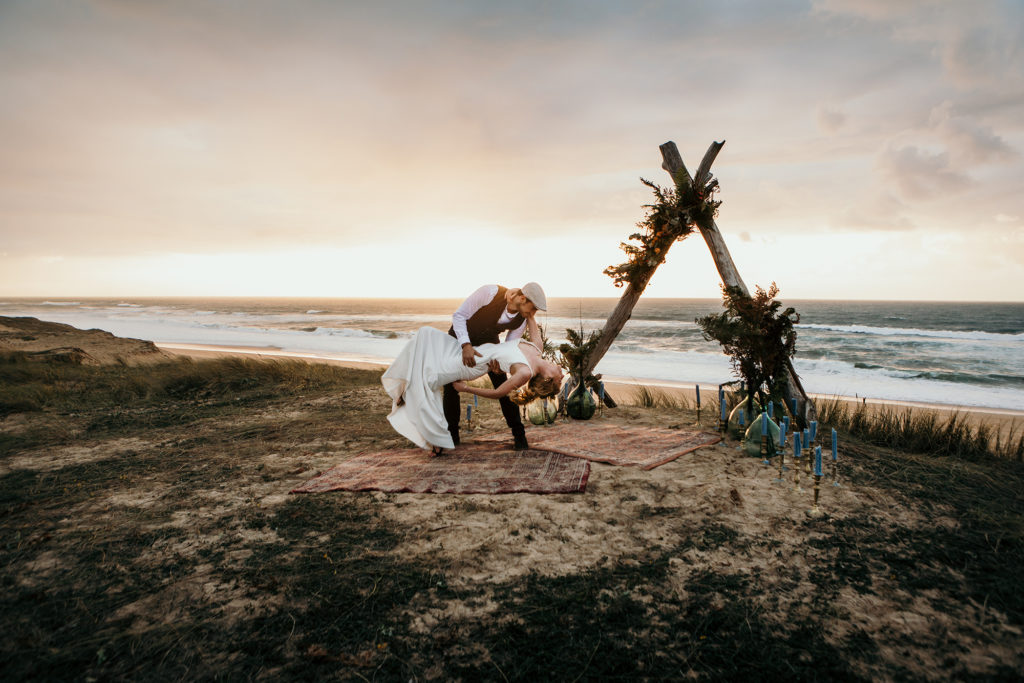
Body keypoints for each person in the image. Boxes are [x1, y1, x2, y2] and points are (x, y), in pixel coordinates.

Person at [381, 326, 563, 455]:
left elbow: (498, 393)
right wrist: (530, 308)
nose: (562, 373)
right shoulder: (537, 349)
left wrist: (465, 388)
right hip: (474, 350)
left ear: (548, 379)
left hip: (470, 364)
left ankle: (434, 437)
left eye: (559, 378)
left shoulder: (524, 372)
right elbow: (532, 318)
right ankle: (406, 391)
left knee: (428, 377)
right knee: (425, 334)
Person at [444, 283, 546, 450]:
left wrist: (502, 366)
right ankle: (452, 436)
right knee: (450, 385)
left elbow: (510, 348)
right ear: (522, 298)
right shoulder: (490, 292)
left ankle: (519, 435)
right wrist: (465, 345)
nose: (533, 314)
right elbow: (459, 316)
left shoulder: (521, 320)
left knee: (504, 386)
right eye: (533, 308)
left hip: (490, 346)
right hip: (458, 339)